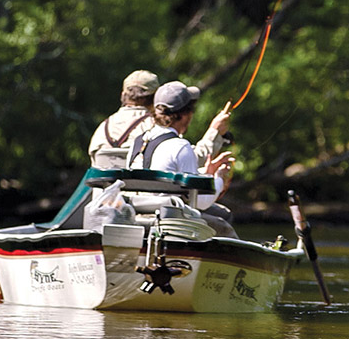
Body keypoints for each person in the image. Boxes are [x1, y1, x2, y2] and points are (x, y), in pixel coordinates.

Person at [127, 81, 237, 236]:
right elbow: (201, 202)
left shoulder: (137, 142)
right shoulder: (180, 146)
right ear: (186, 115)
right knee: (223, 227)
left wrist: (206, 173)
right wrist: (218, 178)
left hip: (137, 219)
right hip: (171, 225)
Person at [89, 70, 232, 169]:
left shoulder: (101, 129)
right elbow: (191, 160)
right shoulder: (155, 127)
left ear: (122, 95)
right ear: (156, 100)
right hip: (140, 206)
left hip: (103, 207)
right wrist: (214, 132)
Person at [88, 70, 159, 168]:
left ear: (122, 95)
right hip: (141, 183)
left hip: (105, 183)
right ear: (155, 98)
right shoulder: (156, 126)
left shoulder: (103, 128)